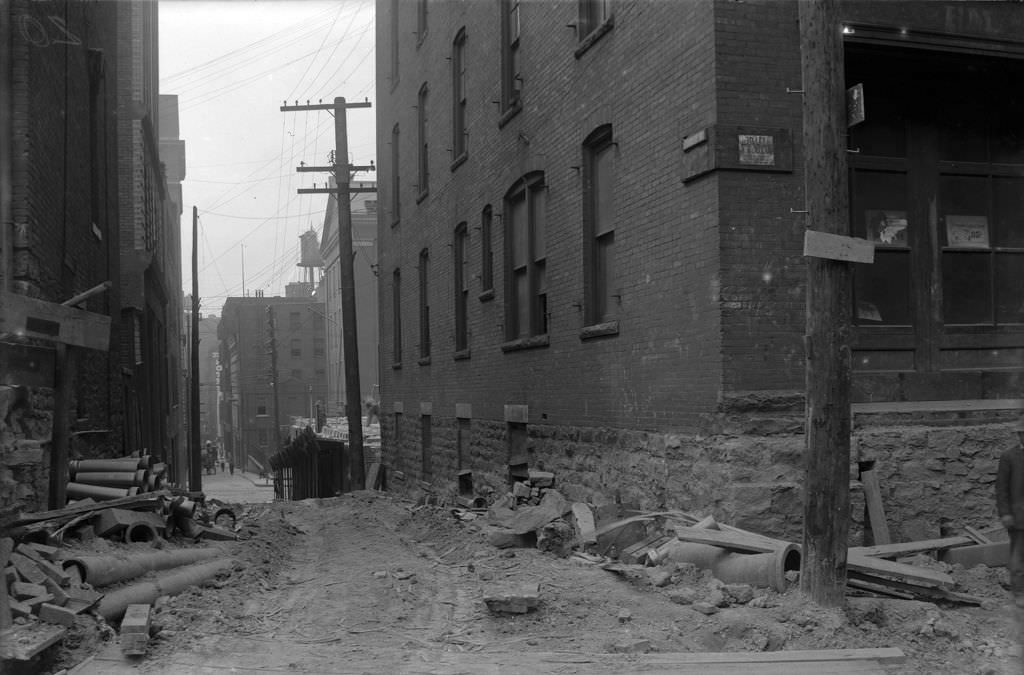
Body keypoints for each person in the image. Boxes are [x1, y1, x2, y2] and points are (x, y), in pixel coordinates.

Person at [995, 416, 1024, 606]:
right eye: (1022, 434)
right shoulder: (1009, 457)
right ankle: (1020, 593)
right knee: (1019, 558)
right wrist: (1005, 513)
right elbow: (1002, 488)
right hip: (1019, 518)